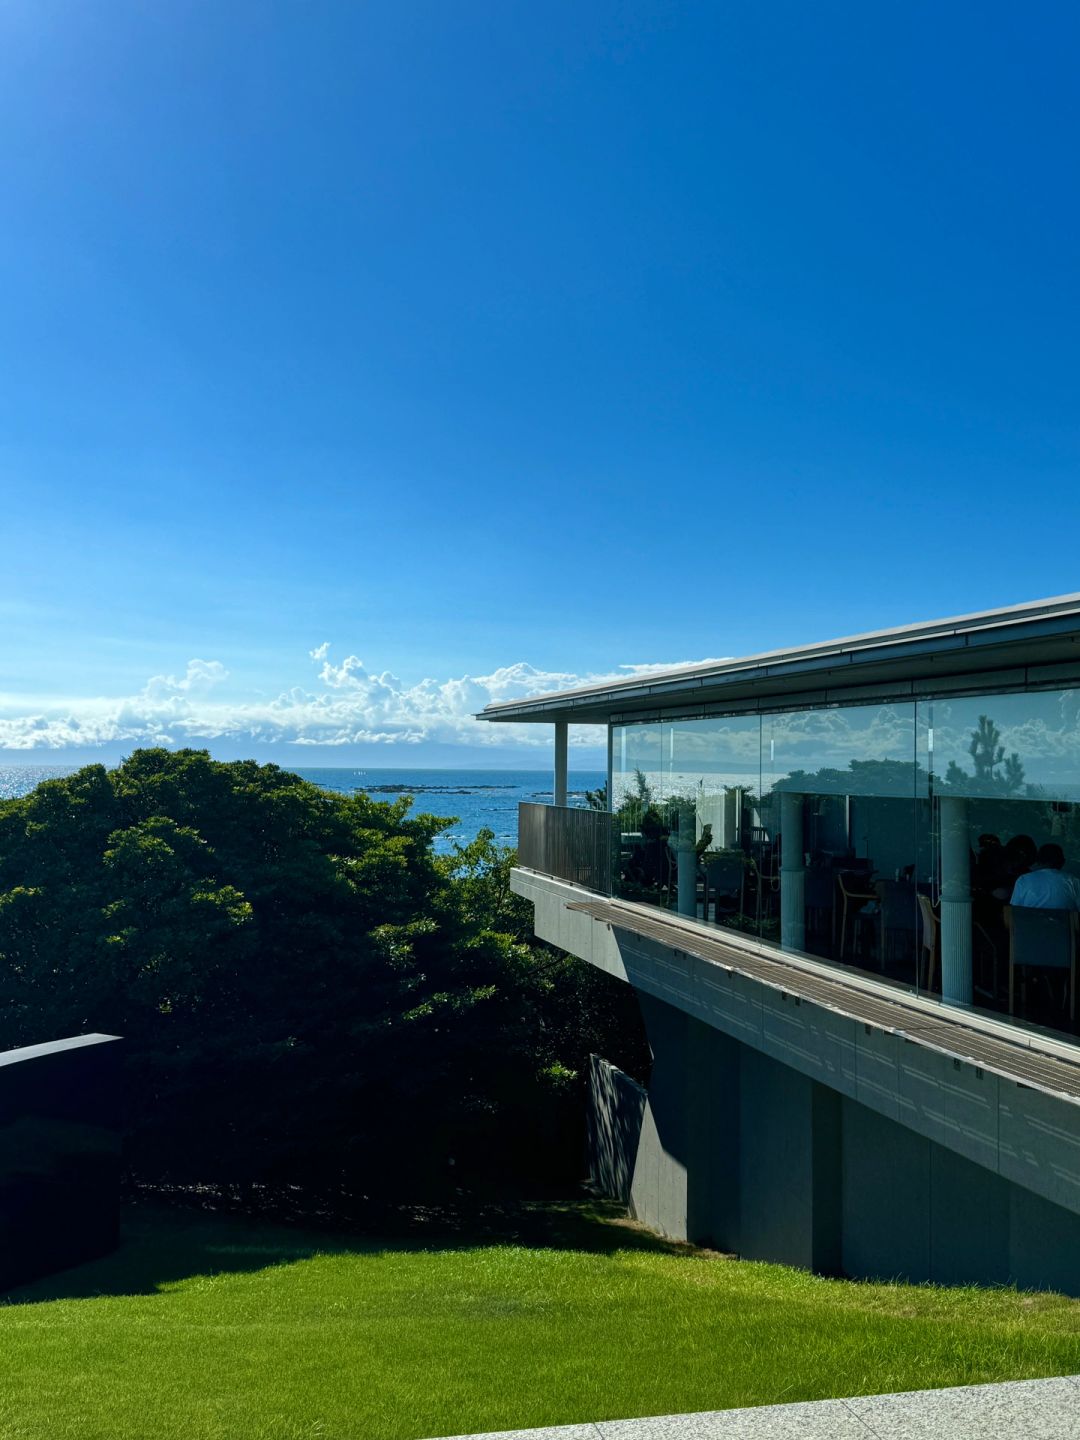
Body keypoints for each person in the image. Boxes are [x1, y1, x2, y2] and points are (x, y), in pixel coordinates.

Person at [1009, 843, 1080, 911]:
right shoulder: (1073, 881)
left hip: (1031, 923)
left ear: (1038, 860)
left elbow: (1015, 910)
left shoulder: (1024, 879)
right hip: (1064, 923)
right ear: (1062, 861)